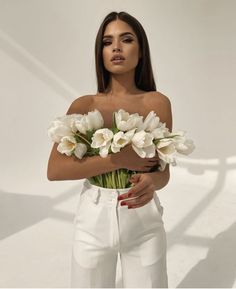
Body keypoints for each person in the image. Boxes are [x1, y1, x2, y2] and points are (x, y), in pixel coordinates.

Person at [47, 11, 172, 288]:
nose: (116, 47)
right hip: (93, 221)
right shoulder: (84, 105)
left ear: (140, 52)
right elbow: (54, 170)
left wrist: (152, 182)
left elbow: (163, 173)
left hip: (143, 220)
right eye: (107, 42)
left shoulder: (158, 102)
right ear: (100, 53)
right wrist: (118, 159)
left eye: (126, 39)